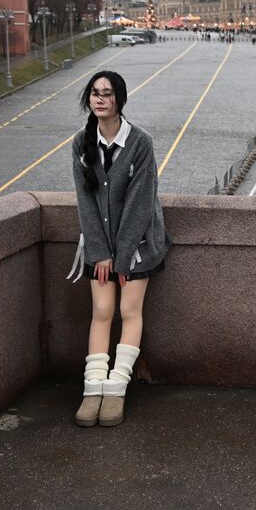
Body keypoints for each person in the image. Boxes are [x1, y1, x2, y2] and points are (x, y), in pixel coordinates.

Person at [68, 70, 171, 428]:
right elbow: (85, 203)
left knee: (128, 309)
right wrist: (100, 253)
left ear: (119, 100)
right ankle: (92, 388)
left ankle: (116, 390)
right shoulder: (80, 144)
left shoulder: (140, 143)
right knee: (101, 309)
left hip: (139, 242)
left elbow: (141, 203)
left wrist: (123, 256)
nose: (100, 99)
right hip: (99, 243)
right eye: (95, 93)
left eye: (107, 94)